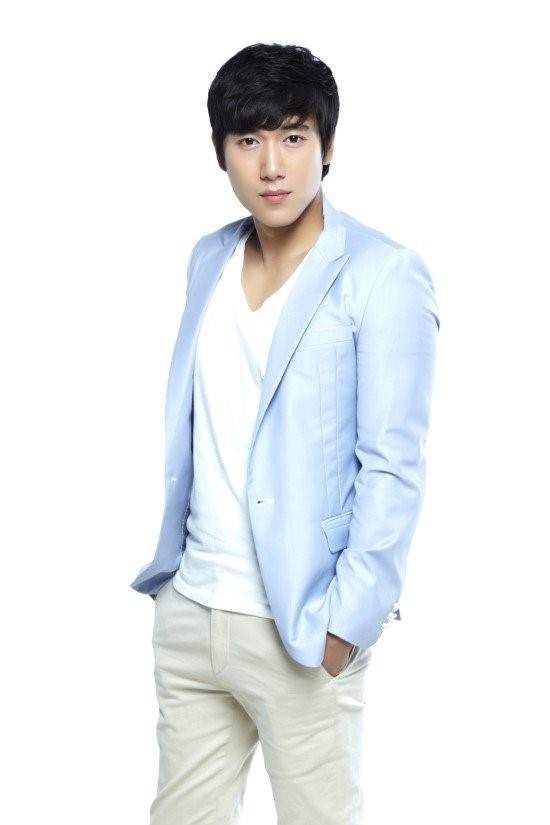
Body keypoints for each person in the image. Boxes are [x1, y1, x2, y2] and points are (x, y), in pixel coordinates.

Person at [130, 42, 439, 825]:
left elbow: (393, 465)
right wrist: (174, 592)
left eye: (294, 137)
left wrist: (345, 626)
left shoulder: (383, 273)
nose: (272, 165)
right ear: (220, 151)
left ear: (327, 146)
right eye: (249, 140)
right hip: (192, 608)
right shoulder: (208, 257)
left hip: (301, 627)